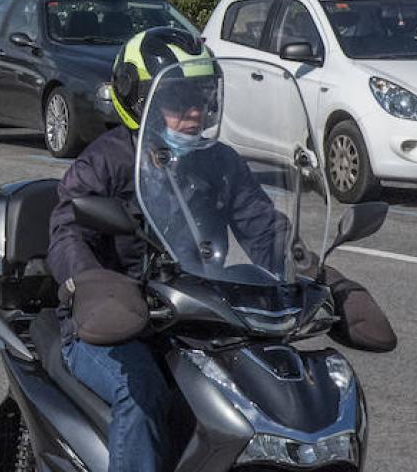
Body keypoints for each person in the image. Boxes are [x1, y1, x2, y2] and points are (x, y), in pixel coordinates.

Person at [47, 28, 289, 472]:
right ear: (136, 96)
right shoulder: (106, 162)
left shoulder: (219, 161)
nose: (195, 112)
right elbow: (67, 231)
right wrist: (92, 284)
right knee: (140, 392)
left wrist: (312, 275)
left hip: (199, 314)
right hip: (112, 323)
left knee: (265, 389)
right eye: (179, 101)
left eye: (203, 98)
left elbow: (264, 229)